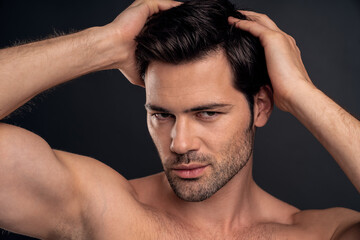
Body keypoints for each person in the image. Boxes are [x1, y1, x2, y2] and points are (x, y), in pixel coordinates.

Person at [0, 0, 359, 239]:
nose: (180, 143)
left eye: (208, 113)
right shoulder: (103, 209)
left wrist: (299, 93)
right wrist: (103, 45)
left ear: (261, 107)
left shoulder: (324, 234)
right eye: (161, 115)